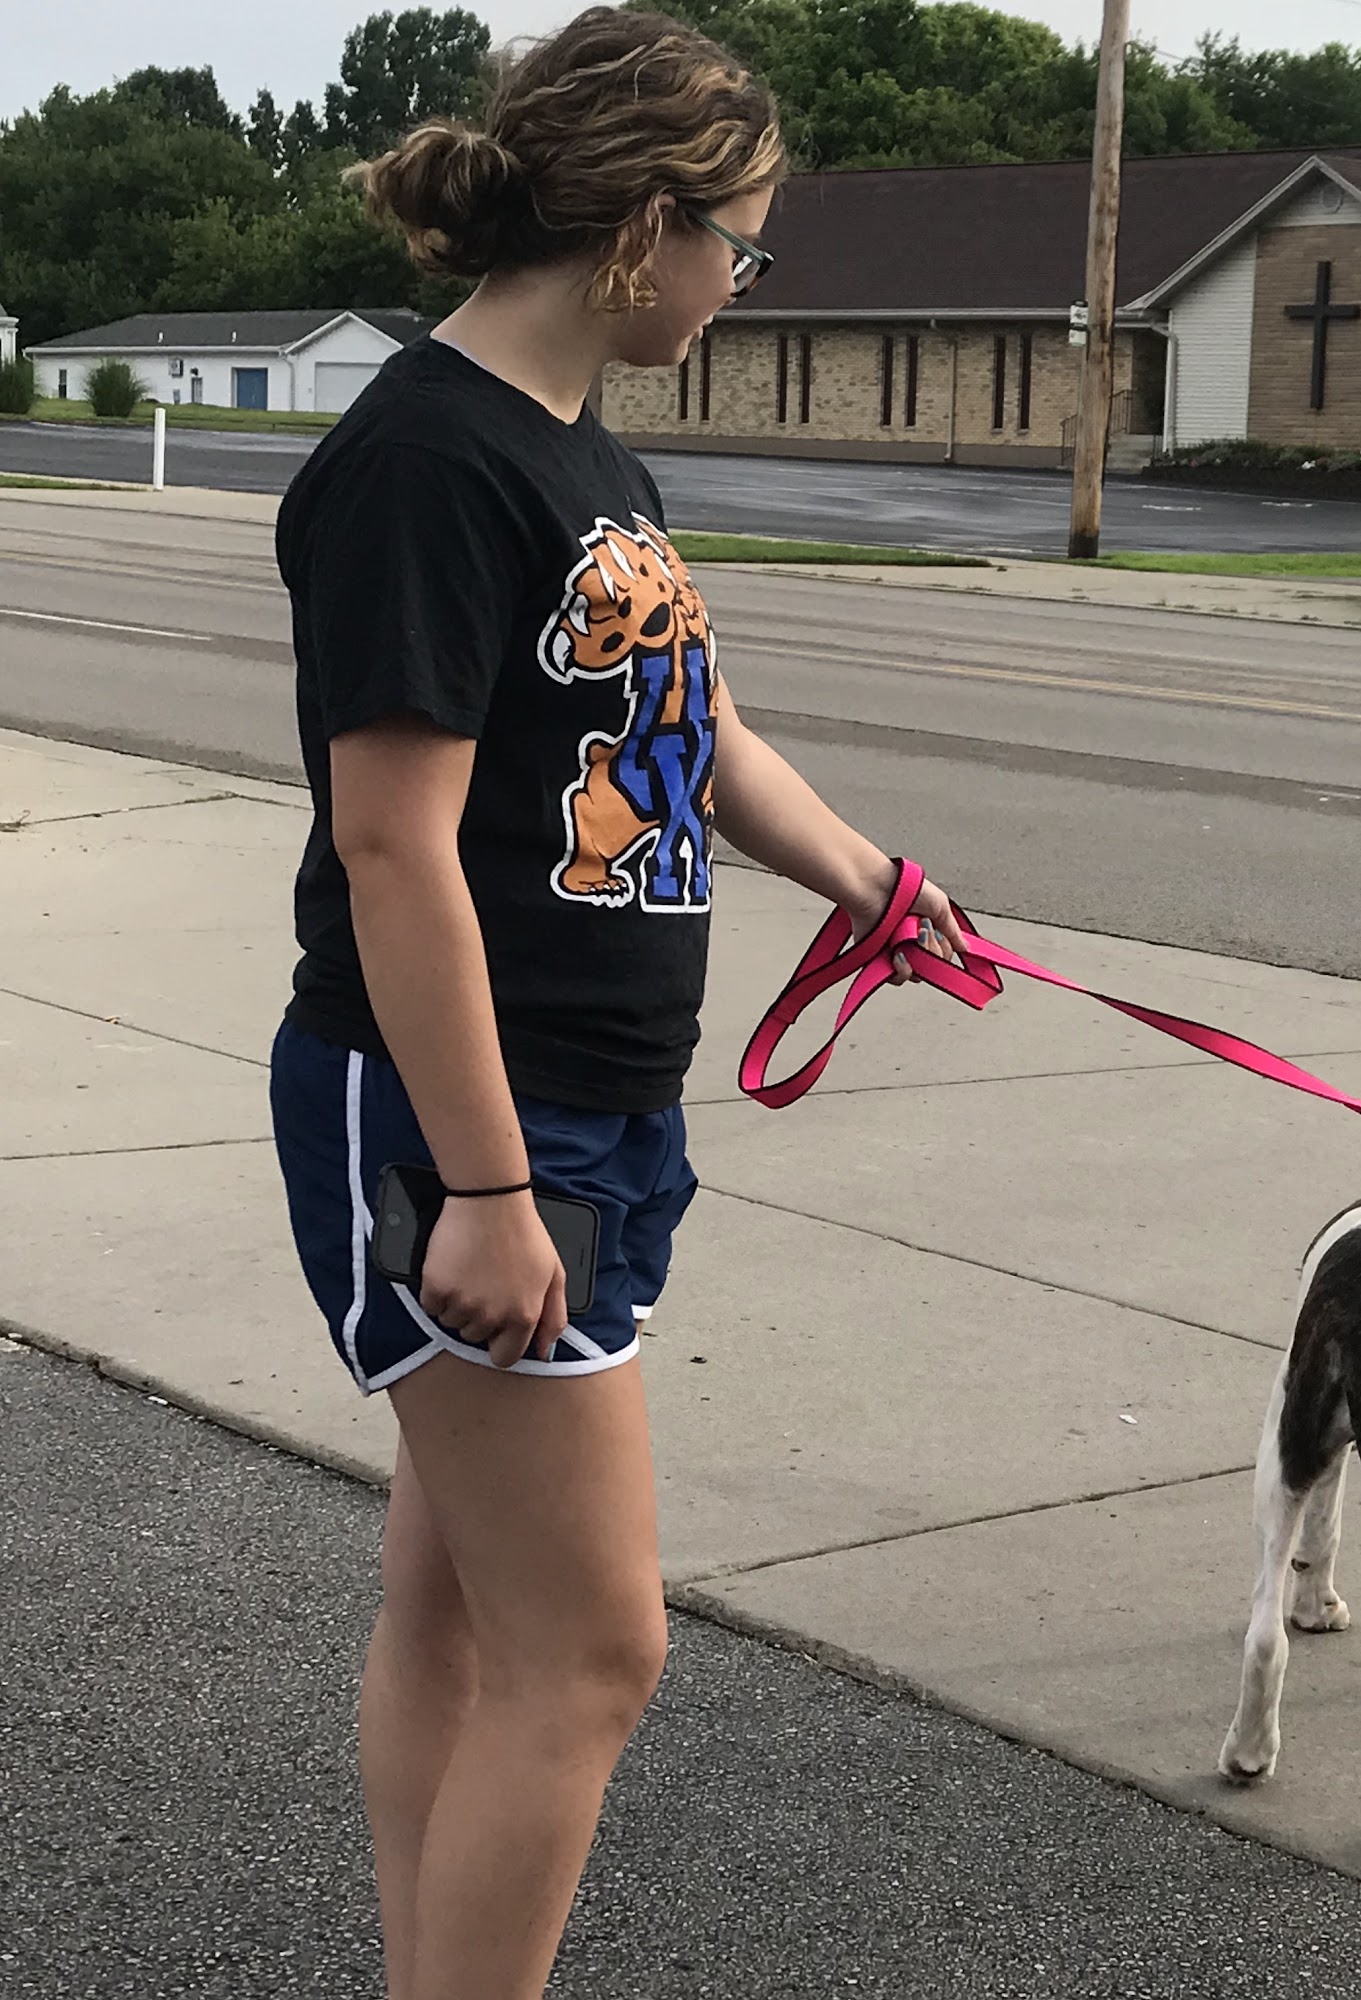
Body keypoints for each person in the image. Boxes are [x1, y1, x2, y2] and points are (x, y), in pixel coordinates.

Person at [266, 12, 962, 1996]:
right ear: (647, 226)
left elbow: (692, 726)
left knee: (469, 1618)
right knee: (593, 1652)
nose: (744, 283)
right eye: (742, 242)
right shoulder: (424, 463)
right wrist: (489, 1189)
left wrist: (871, 880)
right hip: (477, 1121)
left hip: (591, 1102)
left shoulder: (584, 454)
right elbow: (391, 848)